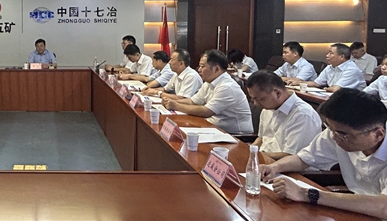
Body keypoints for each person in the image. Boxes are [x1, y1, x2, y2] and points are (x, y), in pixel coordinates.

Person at [260, 89, 387, 219]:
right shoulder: (338, 132)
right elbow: (304, 158)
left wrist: (307, 194)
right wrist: (274, 167)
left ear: (378, 134)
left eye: (343, 135)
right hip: (359, 211)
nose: (334, 138)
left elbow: (384, 207)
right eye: (330, 129)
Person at [164, 50, 253, 134]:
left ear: (216, 69)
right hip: (213, 127)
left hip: (235, 135)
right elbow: (192, 101)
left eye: (202, 66)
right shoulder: (209, 82)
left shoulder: (227, 87)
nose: (199, 69)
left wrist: (176, 106)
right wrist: (171, 102)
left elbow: (206, 111)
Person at [246, 70, 321, 160]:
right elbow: (262, 138)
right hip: (264, 159)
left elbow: (292, 157)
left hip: (286, 166)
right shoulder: (267, 108)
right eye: (253, 99)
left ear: (277, 93)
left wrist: (256, 155)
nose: (255, 103)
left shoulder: (303, 115)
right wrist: (249, 151)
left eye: (260, 99)